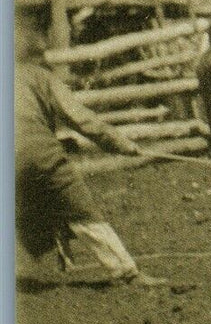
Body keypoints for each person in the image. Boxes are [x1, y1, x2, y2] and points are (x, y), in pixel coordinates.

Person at [15, 23, 166, 286]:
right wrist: (121, 144)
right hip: (42, 155)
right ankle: (126, 272)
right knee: (83, 212)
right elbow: (80, 118)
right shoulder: (39, 76)